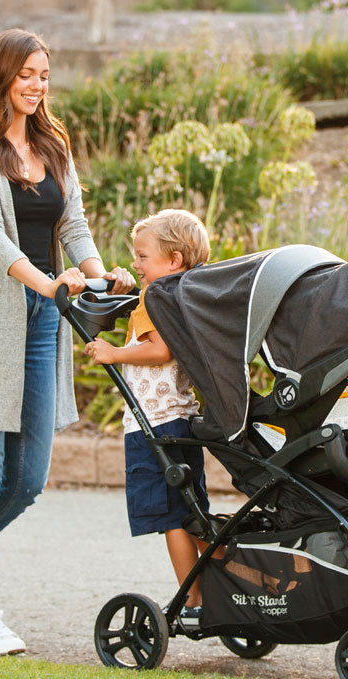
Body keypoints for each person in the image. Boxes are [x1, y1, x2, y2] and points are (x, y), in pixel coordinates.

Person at [0, 28, 134, 655]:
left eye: (44, 74)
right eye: (26, 74)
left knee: (30, 476)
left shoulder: (53, 145)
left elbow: (75, 227)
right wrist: (50, 285)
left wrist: (105, 280)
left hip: (45, 320)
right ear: (2, 75)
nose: (37, 85)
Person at [84, 209, 211, 631]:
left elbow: (159, 351)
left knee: (171, 518)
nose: (136, 265)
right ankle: (233, 585)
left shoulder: (153, 299)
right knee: (196, 513)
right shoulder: (188, 293)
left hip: (152, 425)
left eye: (142, 257)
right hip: (183, 421)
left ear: (173, 260)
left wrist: (113, 353)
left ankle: (193, 603)